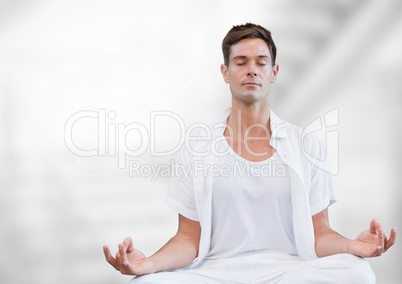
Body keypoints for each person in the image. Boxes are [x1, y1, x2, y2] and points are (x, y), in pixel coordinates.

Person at [103, 23, 397, 283]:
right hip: (216, 272)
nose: (252, 70)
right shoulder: (197, 147)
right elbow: (188, 238)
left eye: (261, 62)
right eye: (240, 62)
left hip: (288, 272)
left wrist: (352, 247)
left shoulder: (306, 146)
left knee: (358, 272)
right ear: (225, 72)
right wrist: (149, 263)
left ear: (274, 72)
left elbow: (319, 233)